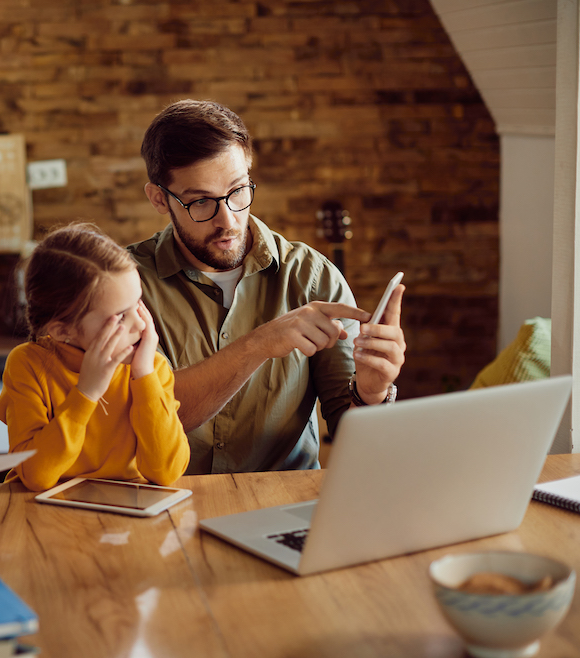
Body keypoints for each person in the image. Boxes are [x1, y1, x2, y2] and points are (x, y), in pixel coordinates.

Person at [129, 99, 407, 474]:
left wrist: (372, 392)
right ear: (159, 198)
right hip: (169, 504)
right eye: (200, 202)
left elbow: (353, 435)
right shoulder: (126, 286)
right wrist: (259, 344)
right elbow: (153, 417)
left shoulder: (313, 277)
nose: (227, 219)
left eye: (238, 191)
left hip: (282, 505)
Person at [0, 223, 190, 492]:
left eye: (139, 305)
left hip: (126, 514)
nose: (142, 325)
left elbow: (166, 472)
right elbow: (36, 476)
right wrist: (86, 392)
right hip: (40, 511)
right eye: (121, 317)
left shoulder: (150, 367)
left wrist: (144, 377)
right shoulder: (28, 365)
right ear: (64, 331)